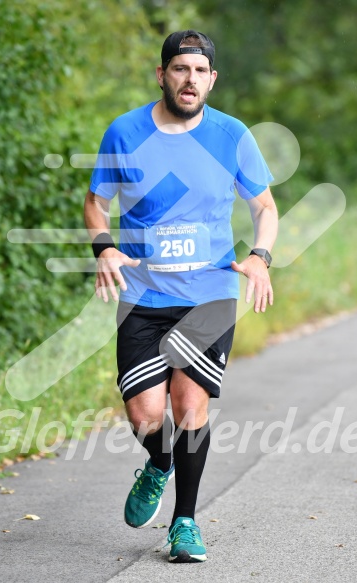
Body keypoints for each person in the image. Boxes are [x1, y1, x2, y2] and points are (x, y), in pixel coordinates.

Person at [84, 29, 278, 563]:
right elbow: (95, 203)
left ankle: (185, 522)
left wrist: (260, 258)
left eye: (199, 71)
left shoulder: (232, 135)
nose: (189, 79)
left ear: (212, 80)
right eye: (179, 69)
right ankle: (159, 462)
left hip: (209, 291)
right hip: (144, 292)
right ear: (162, 74)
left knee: (189, 405)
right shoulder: (124, 132)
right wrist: (103, 247)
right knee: (146, 414)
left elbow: (265, 207)